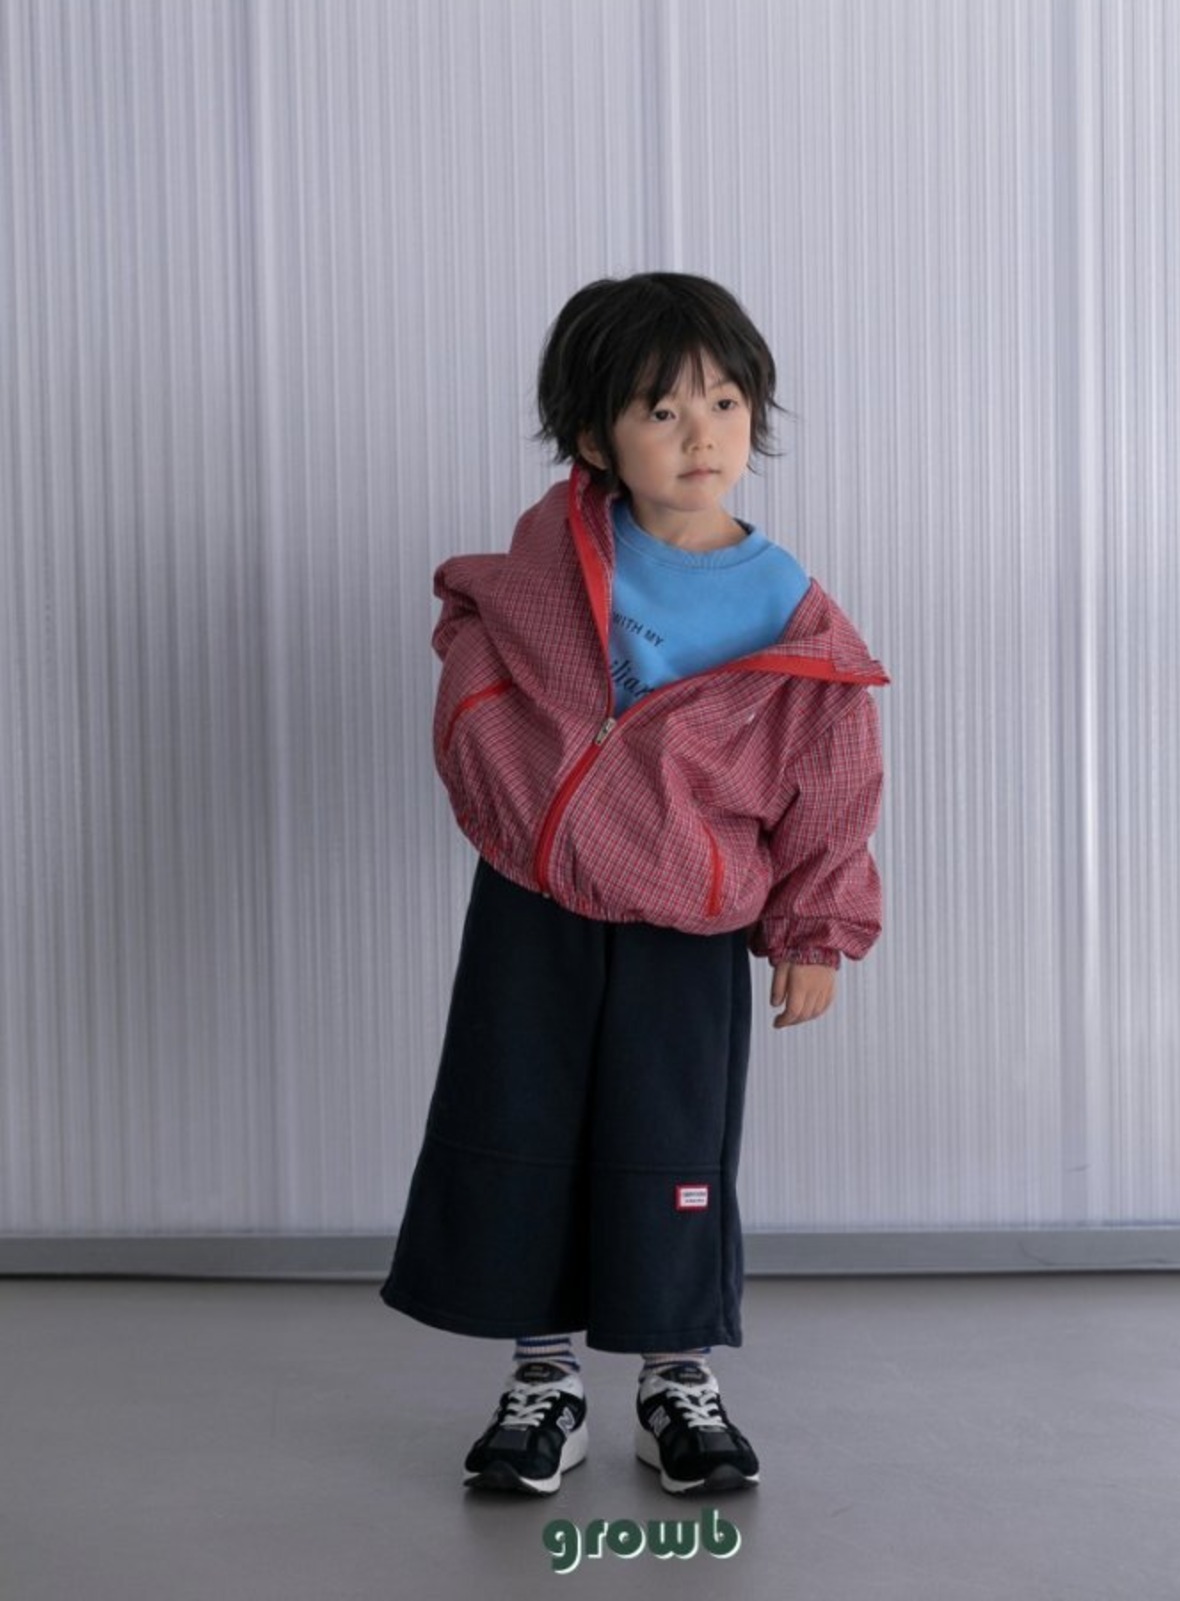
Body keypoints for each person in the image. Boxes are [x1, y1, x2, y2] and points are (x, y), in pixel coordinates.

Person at [380, 272, 889, 1497]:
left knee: (672, 1144)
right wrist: (496, 763)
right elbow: (472, 631)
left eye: (723, 401)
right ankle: (541, 1378)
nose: (700, 433)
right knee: (521, 1126)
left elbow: (829, 772)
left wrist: (812, 930)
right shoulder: (558, 556)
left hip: (685, 921)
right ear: (594, 437)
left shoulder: (785, 608)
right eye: (661, 410)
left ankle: (677, 1379)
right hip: (535, 902)